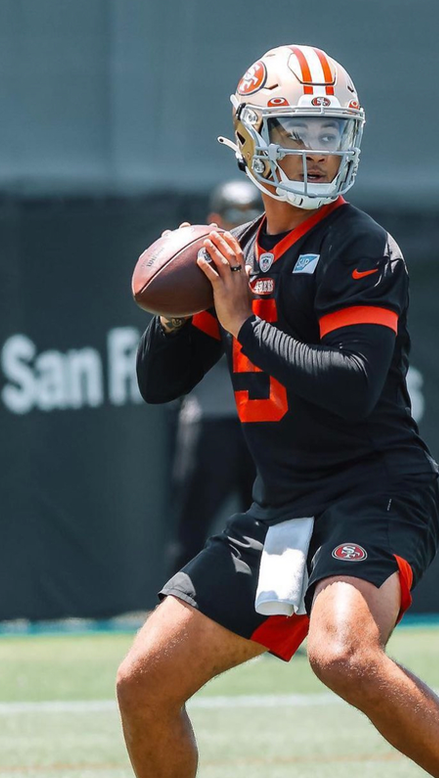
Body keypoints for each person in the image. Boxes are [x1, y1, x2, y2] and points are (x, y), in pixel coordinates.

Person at [100, 44, 439, 778]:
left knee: (342, 651)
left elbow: (353, 386)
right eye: (295, 133)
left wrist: (238, 324)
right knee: (142, 683)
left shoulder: (361, 245)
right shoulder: (232, 255)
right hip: (283, 511)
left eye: (328, 135)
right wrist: (177, 313)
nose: (314, 153)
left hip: (375, 489)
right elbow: (157, 384)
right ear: (250, 139)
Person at [167, 180, 261, 574]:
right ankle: (171, 623)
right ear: (214, 221)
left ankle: (275, 629)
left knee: (271, 530)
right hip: (212, 416)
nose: (244, 224)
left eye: (251, 214)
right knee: (192, 529)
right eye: (234, 217)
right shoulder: (194, 270)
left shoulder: (274, 264)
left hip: (261, 419)